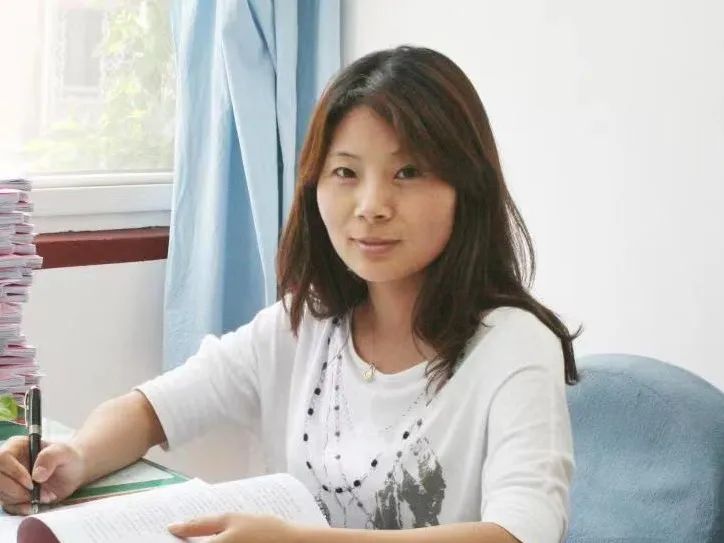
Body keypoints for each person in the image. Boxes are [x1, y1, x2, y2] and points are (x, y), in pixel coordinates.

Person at [0, 45, 583, 543]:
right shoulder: (306, 324)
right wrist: (74, 457)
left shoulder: (513, 347)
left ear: (466, 187)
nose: (371, 206)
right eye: (346, 172)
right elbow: (151, 410)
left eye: (408, 173)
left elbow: (519, 533)